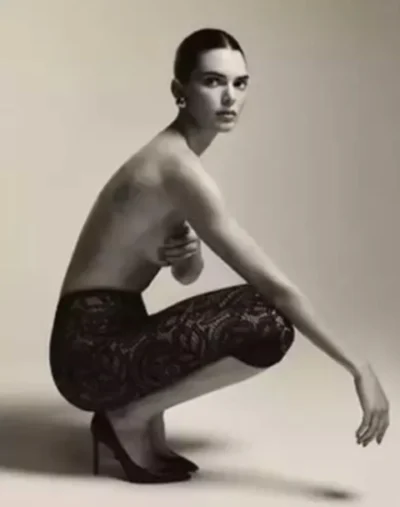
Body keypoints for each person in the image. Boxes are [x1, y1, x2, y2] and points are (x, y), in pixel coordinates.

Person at [49, 28, 389, 484]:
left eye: (240, 83)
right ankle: (128, 415)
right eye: (213, 81)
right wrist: (358, 366)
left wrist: (183, 254)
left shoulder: (172, 159)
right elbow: (274, 286)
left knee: (262, 311)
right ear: (180, 90)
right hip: (88, 352)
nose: (230, 97)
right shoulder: (177, 168)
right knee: (266, 320)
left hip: (107, 331)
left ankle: (133, 413)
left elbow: (186, 276)